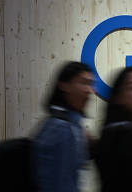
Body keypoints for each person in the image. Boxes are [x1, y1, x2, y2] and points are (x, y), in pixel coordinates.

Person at [33, 61, 94, 192]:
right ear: (64, 85)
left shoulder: (72, 126)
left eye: (90, 84)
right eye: (83, 83)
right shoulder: (62, 128)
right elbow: (62, 184)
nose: (89, 91)